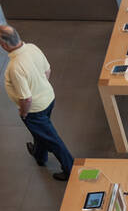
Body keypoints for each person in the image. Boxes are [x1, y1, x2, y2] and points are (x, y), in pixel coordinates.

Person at [0, 24, 73, 181]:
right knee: (42, 131)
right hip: (48, 98)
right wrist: (40, 87)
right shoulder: (32, 48)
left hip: (34, 110)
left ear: (4, 45)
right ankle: (39, 155)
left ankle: (70, 168)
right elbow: (47, 70)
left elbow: (26, 98)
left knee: (52, 139)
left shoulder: (14, 67)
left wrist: (24, 112)